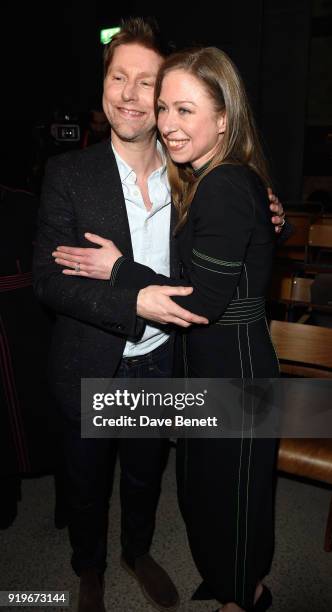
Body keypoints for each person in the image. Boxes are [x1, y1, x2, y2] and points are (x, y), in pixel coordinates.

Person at [37, 19, 285, 612]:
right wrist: (132, 298)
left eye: (144, 82)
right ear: (102, 86)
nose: (128, 92)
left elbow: (232, 232)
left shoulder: (189, 175)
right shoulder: (68, 174)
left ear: (164, 94)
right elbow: (48, 282)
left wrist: (274, 216)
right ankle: (89, 567)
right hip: (93, 358)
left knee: (150, 477)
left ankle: (138, 552)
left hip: (164, 361)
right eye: (117, 76)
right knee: (87, 483)